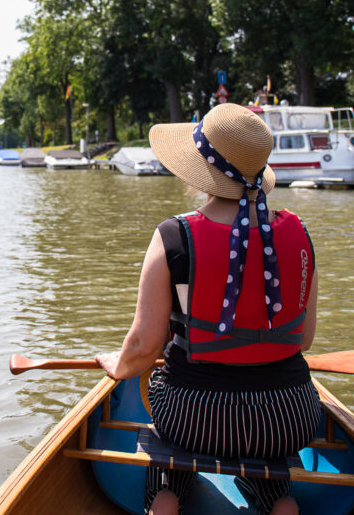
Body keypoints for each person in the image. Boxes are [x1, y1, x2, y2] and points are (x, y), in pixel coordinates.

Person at [96, 103, 320, 515]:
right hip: (290, 416)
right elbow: (302, 340)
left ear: (201, 168)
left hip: (196, 415)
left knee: (173, 440)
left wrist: (118, 365)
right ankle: (278, 501)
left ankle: (165, 492)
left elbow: (145, 346)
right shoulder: (299, 233)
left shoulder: (174, 236)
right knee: (264, 446)